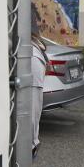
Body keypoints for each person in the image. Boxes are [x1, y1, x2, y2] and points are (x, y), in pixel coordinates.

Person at [29, 20, 49, 158]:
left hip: (24, 143)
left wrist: (31, 143)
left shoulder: (31, 53)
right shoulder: (33, 48)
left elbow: (32, 106)